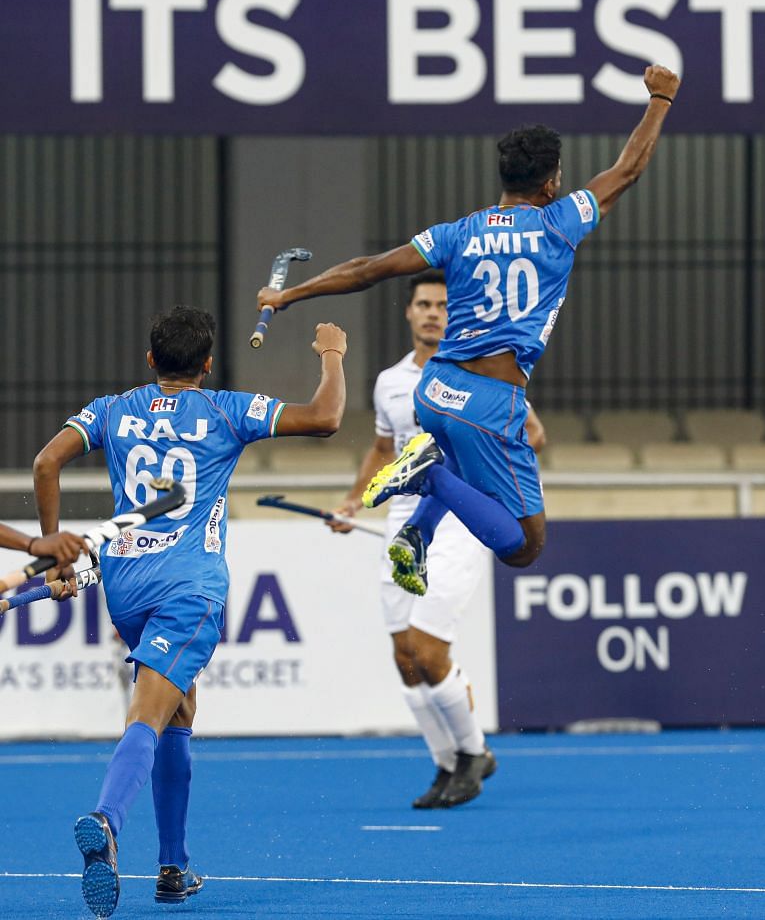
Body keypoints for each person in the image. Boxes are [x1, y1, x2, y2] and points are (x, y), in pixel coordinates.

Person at [257, 65, 680, 594]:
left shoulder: (457, 232)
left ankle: (416, 532)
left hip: (434, 389)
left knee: (450, 453)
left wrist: (290, 294)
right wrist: (660, 100)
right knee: (525, 547)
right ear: (551, 182)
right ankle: (425, 477)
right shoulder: (559, 223)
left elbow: (370, 268)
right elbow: (628, 169)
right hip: (488, 402)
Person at [33, 305, 347, 919]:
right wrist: (331, 354)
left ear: (151, 360)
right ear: (208, 364)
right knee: (148, 713)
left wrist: (53, 555)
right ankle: (108, 818)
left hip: (125, 585)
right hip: (189, 590)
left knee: (180, 704)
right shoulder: (229, 409)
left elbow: (47, 462)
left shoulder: (111, 409)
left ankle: (173, 868)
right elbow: (328, 417)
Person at [329, 269, 545, 808]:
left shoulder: (482, 372)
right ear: (409, 312)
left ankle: (474, 753)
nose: (432, 312)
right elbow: (384, 450)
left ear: (457, 313)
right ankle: (447, 765)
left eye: (442, 305)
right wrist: (353, 500)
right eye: (423, 303)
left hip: (461, 520)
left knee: (428, 648)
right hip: (401, 521)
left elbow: (532, 434)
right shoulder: (389, 381)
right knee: (404, 655)